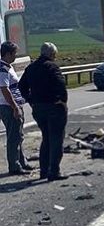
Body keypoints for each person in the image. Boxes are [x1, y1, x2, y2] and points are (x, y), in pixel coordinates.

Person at [18, 42, 68, 181]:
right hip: (53, 106)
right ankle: (54, 171)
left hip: (38, 108)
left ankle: (44, 170)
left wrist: (30, 100)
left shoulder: (31, 67)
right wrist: (62, 100)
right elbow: (60, 85)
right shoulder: (52, 67)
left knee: (46, 138)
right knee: (56, 139)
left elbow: (21, 86)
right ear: (52, 54)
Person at [0, 42, 33, 176]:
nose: (15, 56)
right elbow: (4, 89)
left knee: (18, 135)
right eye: (14, 53)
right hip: (9, 106)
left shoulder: (8, 67)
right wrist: (14, 107)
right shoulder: (2, 68)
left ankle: (21, 161)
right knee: (14, 136)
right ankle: (14, 165)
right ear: (8, 54)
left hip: (13, 105)